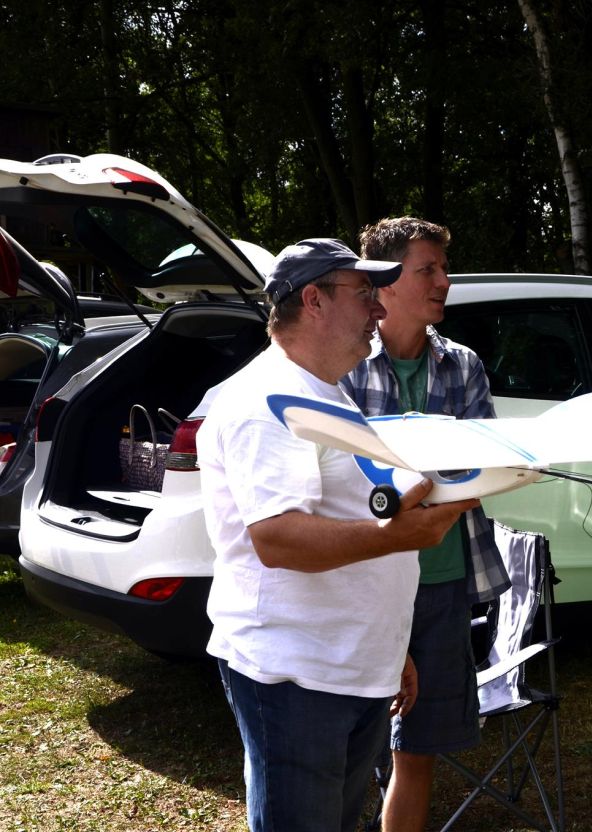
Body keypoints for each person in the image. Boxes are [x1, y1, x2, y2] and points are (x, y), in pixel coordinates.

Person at [199, 238, 478, 832]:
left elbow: (347, 509)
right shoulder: (264, 400)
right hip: (295, 673)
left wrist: (389, 645)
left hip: (345, 664)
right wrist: (399, 536)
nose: (378, 308)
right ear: (314, 300)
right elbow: (277, 539)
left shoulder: (326, 391)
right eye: (364, 293)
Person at [341, 217, 509, 832]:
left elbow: (484, 469)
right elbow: (338, 486)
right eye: (428, 270)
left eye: (444, 268)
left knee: (417, 751)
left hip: (442, 582)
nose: (444, 281)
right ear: (385, 281)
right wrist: (437, 477)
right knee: (353, 748)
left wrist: (421, 486)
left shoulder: (463, 365)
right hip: (361, 582)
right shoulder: (344, 367)